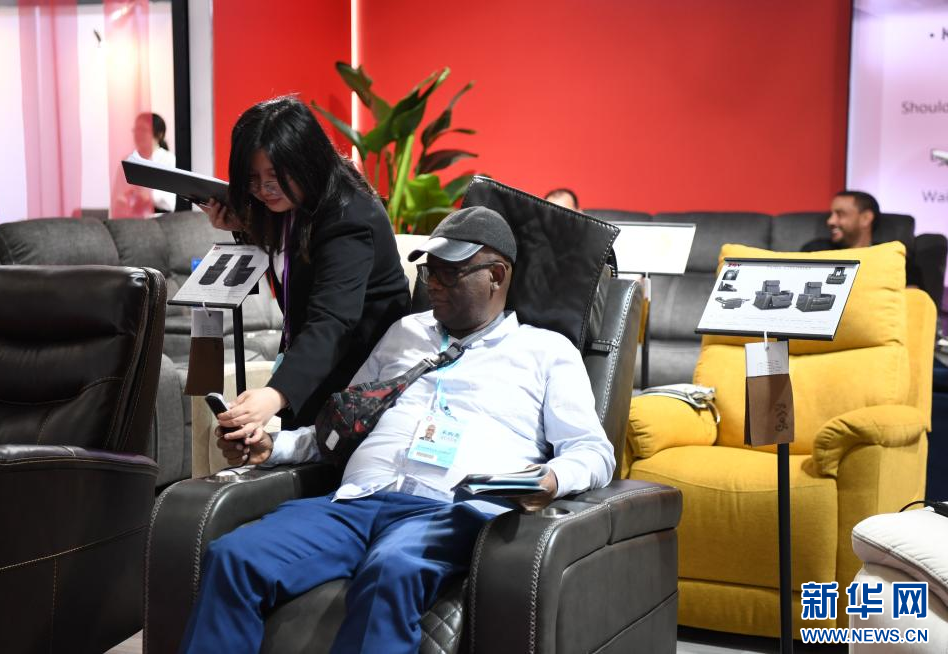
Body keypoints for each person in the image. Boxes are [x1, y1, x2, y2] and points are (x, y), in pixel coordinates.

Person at [182, 206, 615, 653]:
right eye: (429, 272)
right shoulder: (405, 333)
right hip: (356, 502)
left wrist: (550, 480)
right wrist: (273, 446)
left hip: (445, 511)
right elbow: (345, 425)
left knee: (391, 569)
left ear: (497, 276)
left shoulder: (546, 352)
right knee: (234, 557)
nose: (433, 284)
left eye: (449, 273)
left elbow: (593, 451)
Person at [204, 96, 411, 441]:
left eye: (274, 177)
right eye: (253, 179)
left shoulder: (348, 216)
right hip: (317, 370)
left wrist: (276, 393)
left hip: (362, 382)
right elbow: (292, 259)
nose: (264, 190)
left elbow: (333, 320)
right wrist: (242, 225)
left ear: (306, 161)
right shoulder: (291, 201)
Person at [802, 190, 921, 286]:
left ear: (865, 218)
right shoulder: (815, 251)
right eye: (831, 214)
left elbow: (913, 298)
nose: (830, 221)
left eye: (840, 214)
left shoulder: (892, 258)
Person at [114, 112, 177, 216]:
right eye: (136, 130)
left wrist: (147, 195)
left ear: (159, 134)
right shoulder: (127, 160)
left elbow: (169, 202)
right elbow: (118, 195)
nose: (138, 134)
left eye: (143, 130)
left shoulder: (168, 159)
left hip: (159, 219)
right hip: (130, 219)